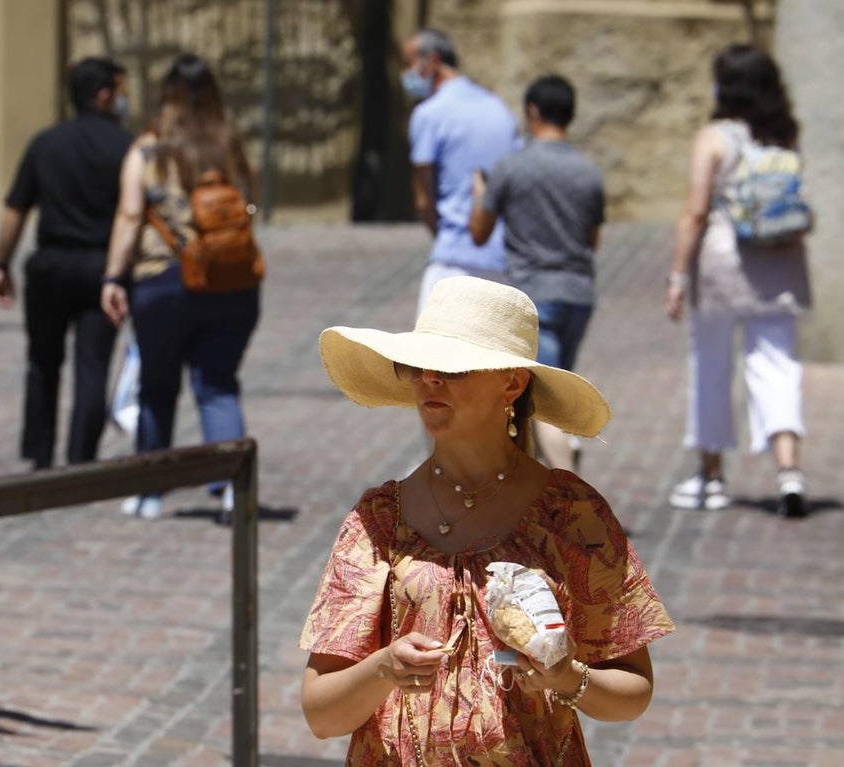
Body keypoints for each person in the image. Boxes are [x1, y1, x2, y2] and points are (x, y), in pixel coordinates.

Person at [300, 277, 675, 765]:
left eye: (452, 369)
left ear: (512, 383)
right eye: (420, 366)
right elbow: (321, 714)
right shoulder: (378, 522)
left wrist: (568, 679)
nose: (429, 379)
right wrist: (385, 668)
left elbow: (634, 690)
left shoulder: (570, 514)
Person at [101, 54, 259, 521]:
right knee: (218, 385)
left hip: (163, 279)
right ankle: (232, 488)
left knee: (157, 385)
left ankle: (151, 492)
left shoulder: (147, 150)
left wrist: (113, 276)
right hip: (232, 281)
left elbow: (130, 216)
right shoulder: (229, 144)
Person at [663, 44, 812, 516]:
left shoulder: (714, 137)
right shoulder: (783, 135)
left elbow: (696, 212)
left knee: (711, 367)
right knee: (777, 366)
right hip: (779, 266)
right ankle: (790, 473)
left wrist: (677, 277)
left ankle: (711, 476)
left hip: (723, 267)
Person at [0, 57, 133, 470]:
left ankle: (40, 454)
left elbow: (16, 208)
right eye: (121, 90)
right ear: (103, 94)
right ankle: (80, 461)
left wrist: (1, 263)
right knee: (92, 367)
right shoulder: (126, 148)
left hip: (49, 266)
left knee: (42, 362)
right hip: (100, 269)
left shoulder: (45, 142)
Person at [469, 74, 605, 472]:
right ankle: (538, 482)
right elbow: (592, 239)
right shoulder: (589, 172)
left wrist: (480, 195)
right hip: (578, 293)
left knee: (541, 401)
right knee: (550, 389)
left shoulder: (511, 167)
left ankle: (569, 493)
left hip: (532, 295)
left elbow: (479, 233)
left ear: (531, 111)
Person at [400, 28, 519, 314]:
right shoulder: (498, 108)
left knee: (430, 356)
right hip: (501, 263)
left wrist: (442, 234)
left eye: (409, 63)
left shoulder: (429, 114)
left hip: (452, 261)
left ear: (432, 60)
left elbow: (423, 200)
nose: (406, 74)